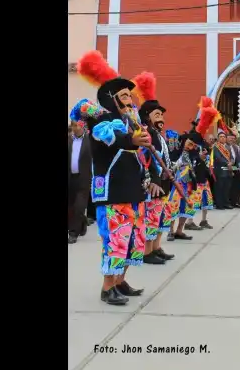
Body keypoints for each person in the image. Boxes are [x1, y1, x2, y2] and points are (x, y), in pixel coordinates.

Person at [75, 52, 163, 306]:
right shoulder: (102, 122)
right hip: (113, 192)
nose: (130, 99)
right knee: (117, 239)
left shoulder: (131, 123)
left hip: (134, 191)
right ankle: (107, 287)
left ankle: (120, 281)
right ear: (110, 99)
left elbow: (143, 153)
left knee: (133, 241)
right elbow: (111, 140)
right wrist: (132, 140)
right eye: (124, 96)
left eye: (129, 95)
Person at [137, 86, 182, 263]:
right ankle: (147, 252)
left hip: (163, 181)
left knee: (160, 217)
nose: (161, 118)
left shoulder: (159, 135)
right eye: (157, 115)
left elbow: (165, 157)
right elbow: (145, 158)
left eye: (161, 115)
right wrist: (153, 178)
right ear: (147, 117)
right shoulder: (146, 133)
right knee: (151, 217)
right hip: (151, 184)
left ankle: (156, 247)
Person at [184, 121, 215, 230]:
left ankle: (203, 220)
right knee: (194, 198)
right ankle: (189, 222)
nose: (205, 129)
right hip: (194, 175)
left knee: (206, 198)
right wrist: (198, 157)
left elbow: (207, 156)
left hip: (204, 174)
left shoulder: (203, 142)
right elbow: (187, 157)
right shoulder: (190, 140)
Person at [67, 119, 93, 244]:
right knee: (71, 206)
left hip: (84, 178)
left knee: (79, 205)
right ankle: (81, 224)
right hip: (70, 177)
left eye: (77, 125)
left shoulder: (90, 141)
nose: (75, 127)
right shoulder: (69, 140)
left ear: (83, 126)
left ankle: (73, 233)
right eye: (73, 125)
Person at [211, 129, 235, 210]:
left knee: (227, 188)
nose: (222, 138)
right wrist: (227, 163)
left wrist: (231, 162)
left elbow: (231, 157)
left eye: (224, 137)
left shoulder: (228, 147)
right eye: (220, 137)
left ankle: (226, 203)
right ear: (218, 138)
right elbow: (218, 158)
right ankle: (219, 204)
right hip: (219, 170)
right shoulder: (216, 147)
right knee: (219, 188)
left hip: (228, 170)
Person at [227, 131, 240, 208]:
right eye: (231, 138)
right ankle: (231, 202)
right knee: (231, 187)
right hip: (229, 168)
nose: (232, 140)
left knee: (237, 186)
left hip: (237, 169)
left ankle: (237, 201)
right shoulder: (225, 147)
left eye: (234, 139)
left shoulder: (237, 147)